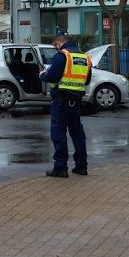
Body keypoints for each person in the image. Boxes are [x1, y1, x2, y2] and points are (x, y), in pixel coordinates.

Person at [40, 30, 92, 178]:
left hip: (61, 100)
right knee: (77, 133)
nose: (56, 48)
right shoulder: (85, 57)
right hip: (76, 101)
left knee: (58, 133)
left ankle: (60, 167)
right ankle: (81, 166)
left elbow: (52, 76)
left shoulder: (62, 56)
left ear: (58, 43)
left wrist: (43, 75)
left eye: (55, 45)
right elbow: (86, 80)